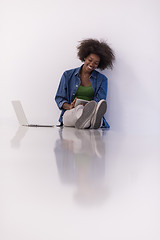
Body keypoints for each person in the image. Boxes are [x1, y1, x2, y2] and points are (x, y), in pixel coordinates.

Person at [55, 38, 115, 129]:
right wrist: (71, 106)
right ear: (84, 57)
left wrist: (90, 106)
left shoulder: (102, 80)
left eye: (96, 63)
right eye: (90, 60)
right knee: (79, 110)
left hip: (91, 111)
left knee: (92, 109)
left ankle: (90, 119)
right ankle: (91, 121)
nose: (92, 64)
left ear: (99, 64)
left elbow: (100, 102)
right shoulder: (67, 75)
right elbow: (59, 98)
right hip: (71, 113)